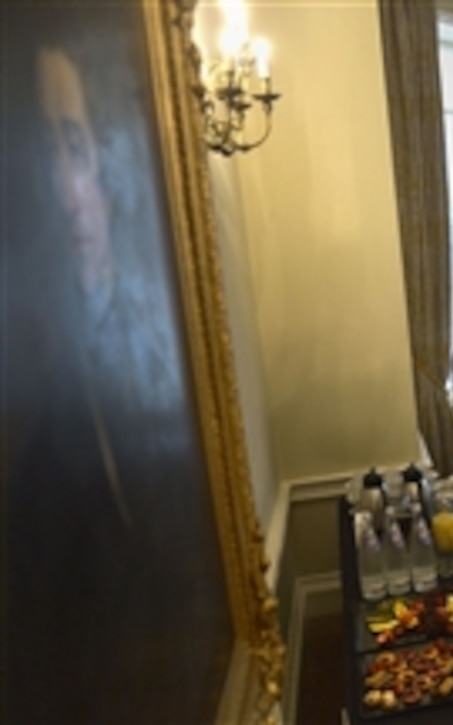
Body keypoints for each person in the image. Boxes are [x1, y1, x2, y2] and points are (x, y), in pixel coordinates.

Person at [6, 19, 233, 721]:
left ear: (107, 165)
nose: (64, 192)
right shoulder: (32, 427)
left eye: (73, 147)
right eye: (38, 157)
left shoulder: (169, 343)